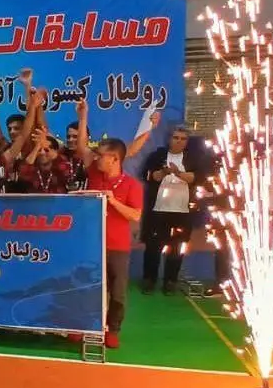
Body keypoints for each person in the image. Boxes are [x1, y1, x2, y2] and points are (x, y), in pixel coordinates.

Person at [76, 100, 143, 348]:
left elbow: (135, 215)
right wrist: (83, 116)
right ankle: (85, 325)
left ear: (114, 159)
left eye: (101, 155)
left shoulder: (131, 185)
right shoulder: (94, 173)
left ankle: (112, 330)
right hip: (91, 244)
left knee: (117, 291)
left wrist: (113, 201)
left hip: (117, 247)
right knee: (88, 287)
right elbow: (81, 147)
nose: (96, 157)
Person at [140, 126, 200, 295]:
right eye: (176, 137)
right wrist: (164, 172)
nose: (179, 141)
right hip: (158, 210)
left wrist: (177, 173)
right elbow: (149, 176)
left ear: (187, 142)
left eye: (183, 139)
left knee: (176, 247)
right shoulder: (157, 156)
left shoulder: (192, 158)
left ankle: (170, 281)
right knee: (153, 246)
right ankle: (149, 280)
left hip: (182, 212)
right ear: (169, 139)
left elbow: (195, 177)